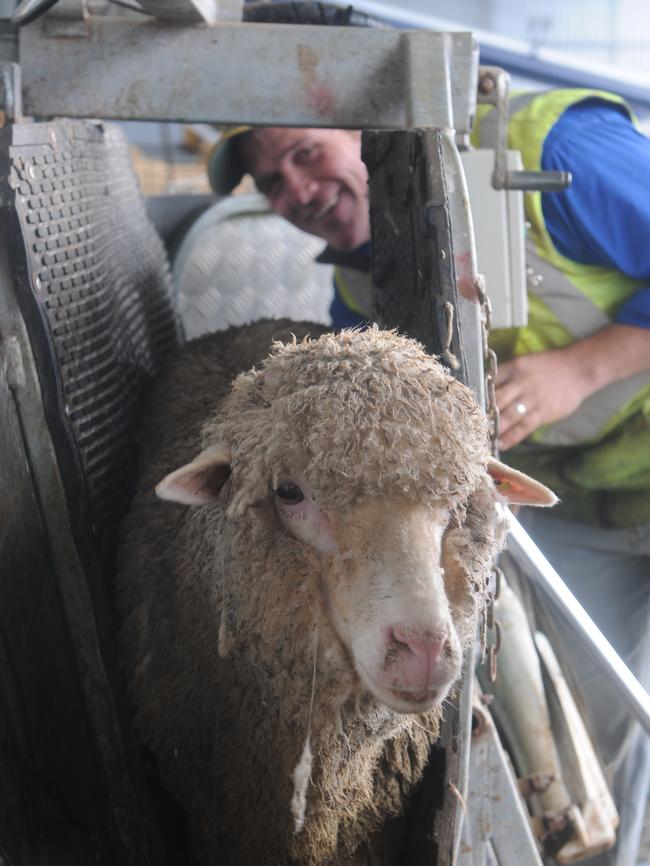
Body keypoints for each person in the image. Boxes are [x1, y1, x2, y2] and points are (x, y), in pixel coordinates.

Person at [207, 89, 650, 866]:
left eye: (304, 153)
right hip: (578, 501)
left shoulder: (551, 149)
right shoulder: (359, 295)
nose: (296, 193)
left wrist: (578, 370)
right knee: (608, 719)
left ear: (362, 124)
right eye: (271, 183)